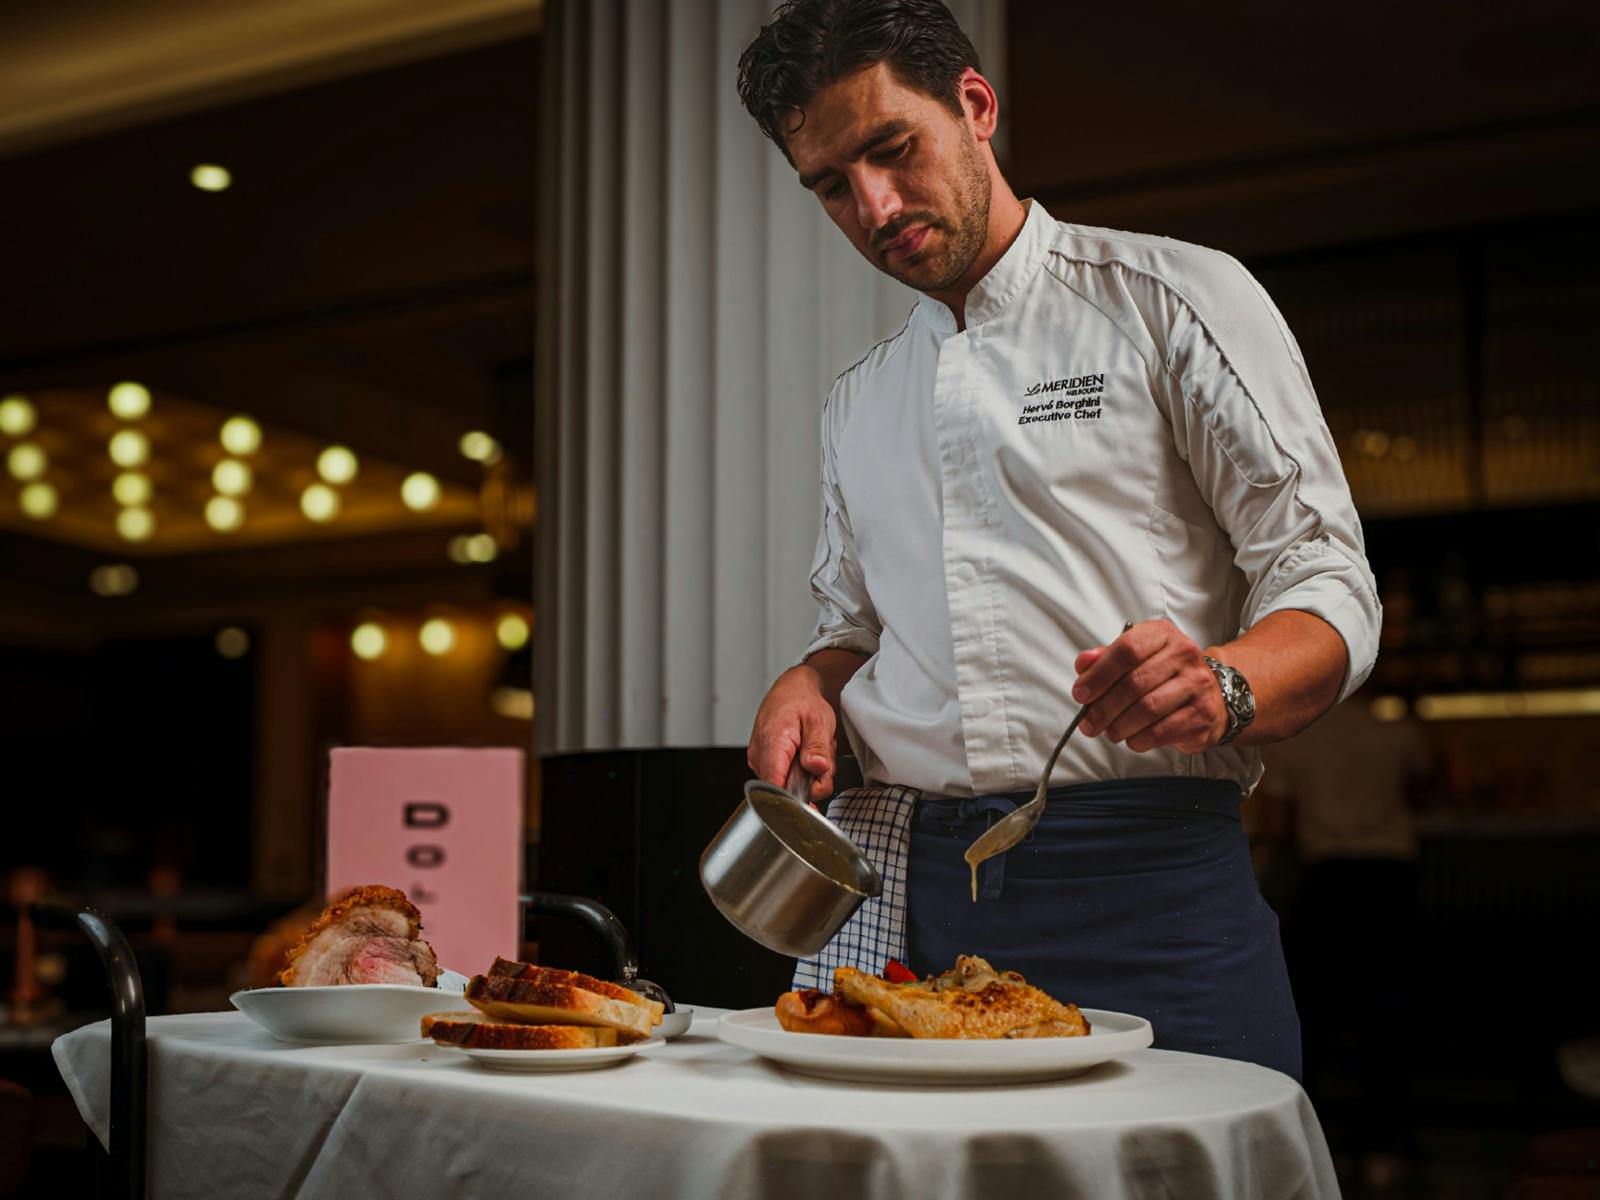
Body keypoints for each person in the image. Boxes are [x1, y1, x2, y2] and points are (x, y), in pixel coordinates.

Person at [737, 0, 1380, 1080]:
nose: (874, 206)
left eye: (893, 149)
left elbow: (1327, 579)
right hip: (923, 911)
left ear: (975, 105)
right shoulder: (859, 400)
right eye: (832, 185)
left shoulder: (1169, 298)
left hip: (1152, 887)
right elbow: (853, 630)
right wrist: (809, 679)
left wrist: (1223, 685)